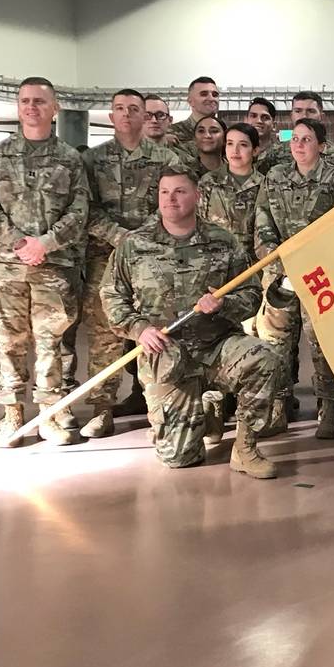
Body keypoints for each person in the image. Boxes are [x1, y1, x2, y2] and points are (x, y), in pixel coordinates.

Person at [100, 169, 282, 478]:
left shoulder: (222, 241)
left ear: (197, 196)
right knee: (180, 458)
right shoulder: (135, 245)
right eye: (164, 192)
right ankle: (207, 409)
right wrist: (139, 329)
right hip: (168, 356)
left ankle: (245, 447)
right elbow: (111, 296)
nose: (171, 199)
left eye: (180, 191)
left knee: (263, 358)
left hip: (217, 346)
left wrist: (224, 305)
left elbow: (252, 293)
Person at [0, 77, 89, 448]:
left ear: (55, 108)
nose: (32, 107)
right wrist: (18, 242)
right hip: (6, 265)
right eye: (25, 101)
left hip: (54, 265)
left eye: (40, 101)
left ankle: (52, 411)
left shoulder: (70, 159)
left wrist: (44, 244)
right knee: (9, 342)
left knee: (54, 342)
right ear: (18, 107)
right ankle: (12, 412)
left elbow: (79, 211)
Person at [79, 88, 181, 439]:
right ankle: (102, 408)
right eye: (119, 109)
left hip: (153, 262)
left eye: (133, 109)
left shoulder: (166, 158)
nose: (126, 114)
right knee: (104, 335)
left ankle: (160, 406)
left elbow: (173, 205)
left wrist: (142, 240)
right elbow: (83, 209)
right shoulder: (92, 160)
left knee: (155, 334)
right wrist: (119, 237)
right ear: (111, 116)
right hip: (104, 260)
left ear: (144, 116)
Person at [255, 118, 334, 438]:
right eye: (295, 139)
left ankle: (329, 408)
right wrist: (276, 256)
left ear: (321, 146)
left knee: (323, 343)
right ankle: (278, 405)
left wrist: (314, 260)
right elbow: (262, 223)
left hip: (319, 274)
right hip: (280, 272)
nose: (298, 145)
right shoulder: (274, 176)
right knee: (275, 343)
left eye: (307, 139)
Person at [199, 122, 263, 260]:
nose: (235, 150)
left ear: (255, 150)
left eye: (243, 145)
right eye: (230, 143)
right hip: (216, 263)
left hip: (254, 266)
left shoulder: (265, 185)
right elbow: (198, 225)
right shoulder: (209, 182)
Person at [167, 76, 220, 151]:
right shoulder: (172, 133)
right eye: (204, 94)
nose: (211, 98)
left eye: (215, 95)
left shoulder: (226, 134)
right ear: (190, 101)